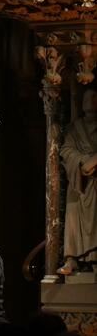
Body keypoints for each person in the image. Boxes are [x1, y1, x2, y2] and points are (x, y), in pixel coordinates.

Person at [59, 87, 97, 275]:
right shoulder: (75, 128)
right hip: (80, 181)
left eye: (94, 98)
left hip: (95, 181)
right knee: (73, 211)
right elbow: (65, 150)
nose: (90, 102)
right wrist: (82, 161)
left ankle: (94, 258)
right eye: (87, 98)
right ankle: (71, 258)